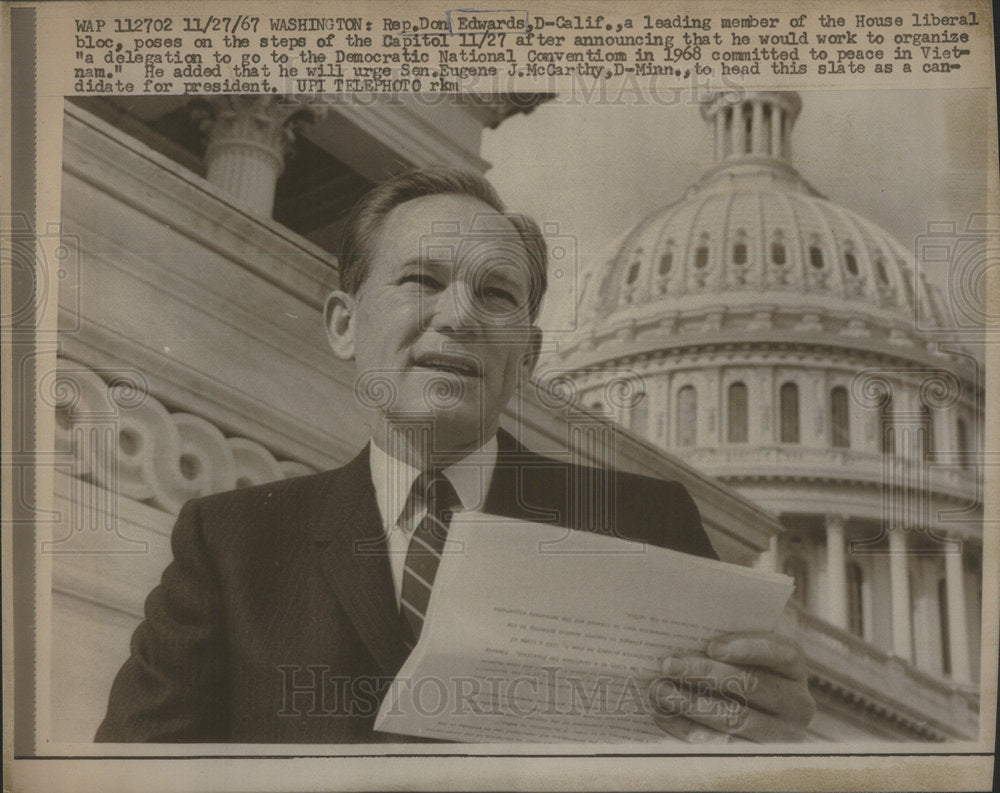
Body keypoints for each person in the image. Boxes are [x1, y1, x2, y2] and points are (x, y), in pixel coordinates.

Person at [96, 168, 815, 744]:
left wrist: (762, 747)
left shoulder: (643, 523)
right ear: (345, 324)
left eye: (496, 293)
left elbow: (713, 756)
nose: (461, 315)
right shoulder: (231, 543)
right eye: (422, 281)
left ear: (525, 358)